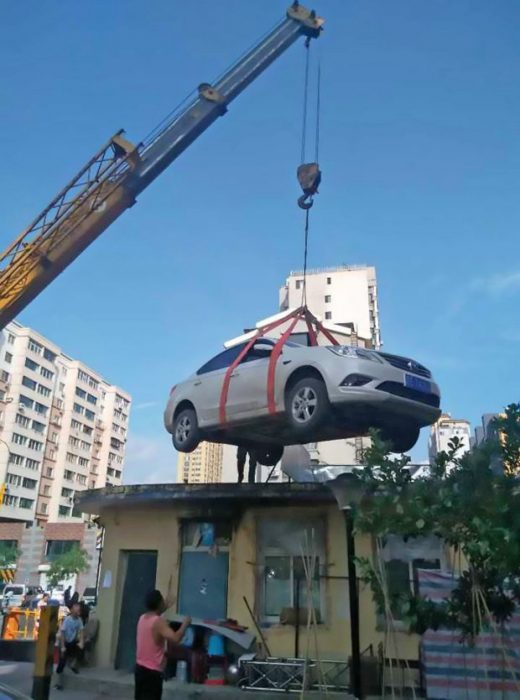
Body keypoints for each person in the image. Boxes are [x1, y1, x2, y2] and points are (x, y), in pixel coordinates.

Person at [135, 589, 191, 700]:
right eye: (162, 602)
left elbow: (155, 615)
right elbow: (176, 638)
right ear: (159, 603)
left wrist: (165, 606)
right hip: (152, 673)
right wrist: (185, 624)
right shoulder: (158, 622)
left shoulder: (142, 618)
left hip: (140, 669)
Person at [55, 602, 84, 690]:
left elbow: (82, 631)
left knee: (81, 648)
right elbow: (62, 634)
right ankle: (58, 683)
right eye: (76, 609)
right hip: (64, 641)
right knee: (62, 662)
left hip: (72, 642)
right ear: (72, 611)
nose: (78, 611)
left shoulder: (79, 620)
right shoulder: (67, 620)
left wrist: (81, 642)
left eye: (79, 610)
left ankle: (73, 665)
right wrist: (63, 647)